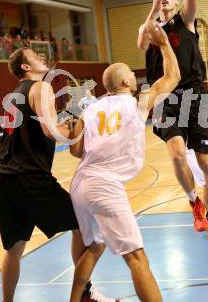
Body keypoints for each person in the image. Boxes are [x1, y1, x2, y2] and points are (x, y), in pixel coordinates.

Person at [69, 22, 180, 302]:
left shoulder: (91, 107)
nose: (134, 74)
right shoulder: (137, 103)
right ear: (125, 83)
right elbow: (173, 76)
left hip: (80, 184)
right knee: (137, 257)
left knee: (94, 246)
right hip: (104, 186)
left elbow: (75, 150)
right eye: (131, 72)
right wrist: (164, 43)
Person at [0, 47, 116, 302]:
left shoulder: (13, 95)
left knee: (14, 249)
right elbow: (51, 132)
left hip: (4, 178)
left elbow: (40, 128)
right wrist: (79, 125)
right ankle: (84, 293)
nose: (41, 57)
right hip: (31, 178)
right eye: (34, 57)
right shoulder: (41, 88)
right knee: (83, 227)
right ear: (26, 67)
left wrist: (69, 120)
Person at [137, 0, 208, 242]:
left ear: (176, 1)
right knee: (175, 154)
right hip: (165, 98)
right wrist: (151, 7)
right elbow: (141, 43)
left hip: (195, 95)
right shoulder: (151, 28)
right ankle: (194, 204)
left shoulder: (185, 20)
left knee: (204, 159)